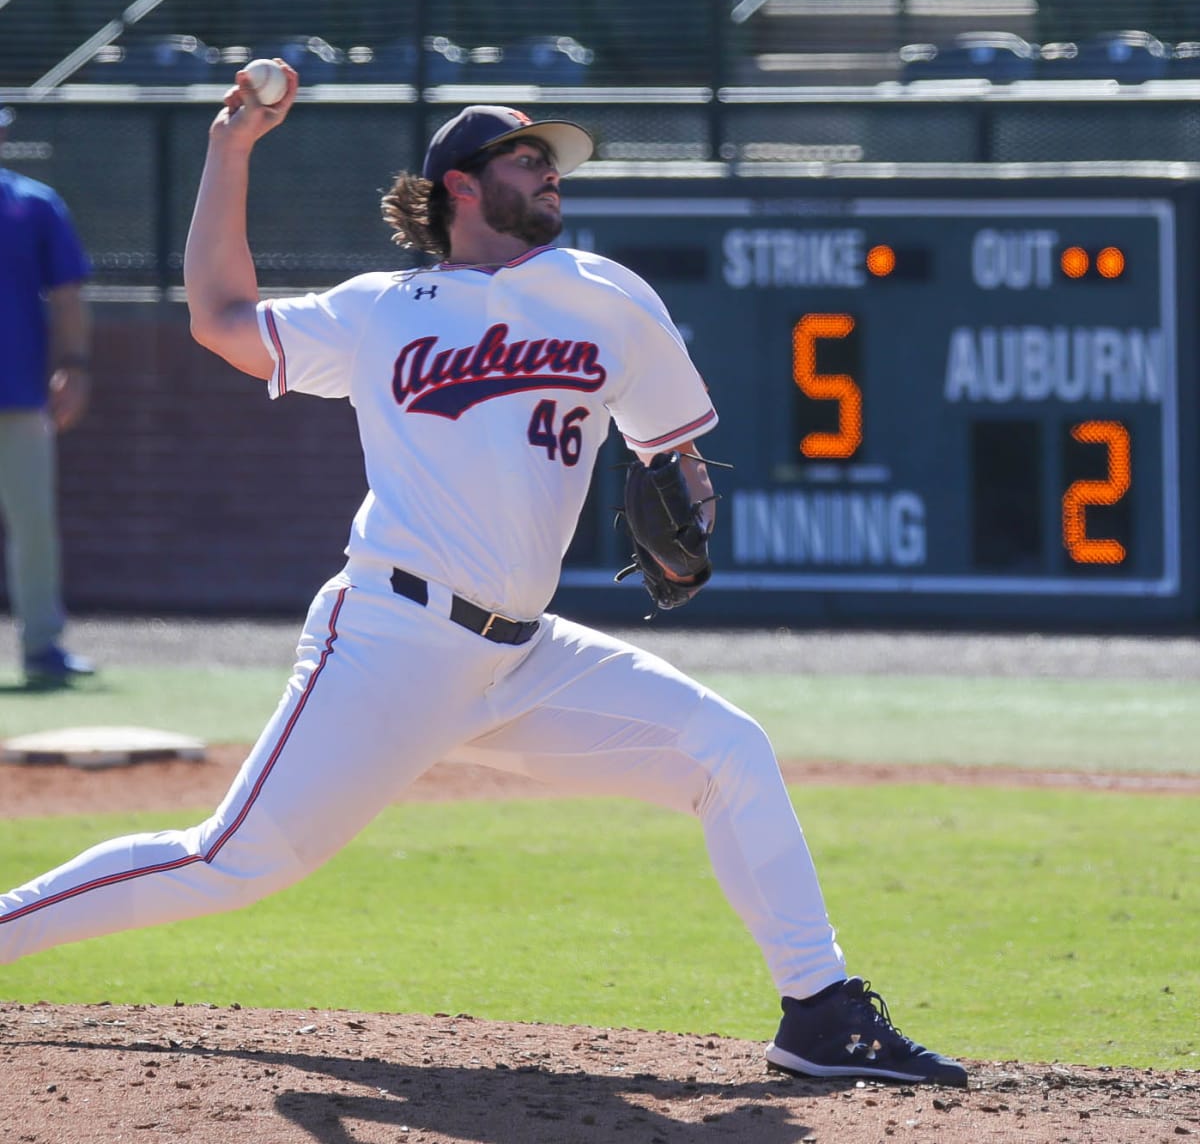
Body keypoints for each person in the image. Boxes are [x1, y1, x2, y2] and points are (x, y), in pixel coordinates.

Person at [0, 71, 968, 1088]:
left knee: (728, 750)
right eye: (528, 157)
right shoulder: (382, 311)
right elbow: (221, 316)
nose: (552, 172)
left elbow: (673, 457)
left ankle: (820, 1013)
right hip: (391, 641)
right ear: (460, 186)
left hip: (523, 656)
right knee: (232, 862)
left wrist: (688, 508)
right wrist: (231, 148)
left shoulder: (608, 296)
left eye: (553, 160)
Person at [0, 104, 96, 684]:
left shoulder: (33, 202)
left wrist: (75, 366)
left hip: (18, 392)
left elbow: (66, 295)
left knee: (33, 523)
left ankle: (42, 647)